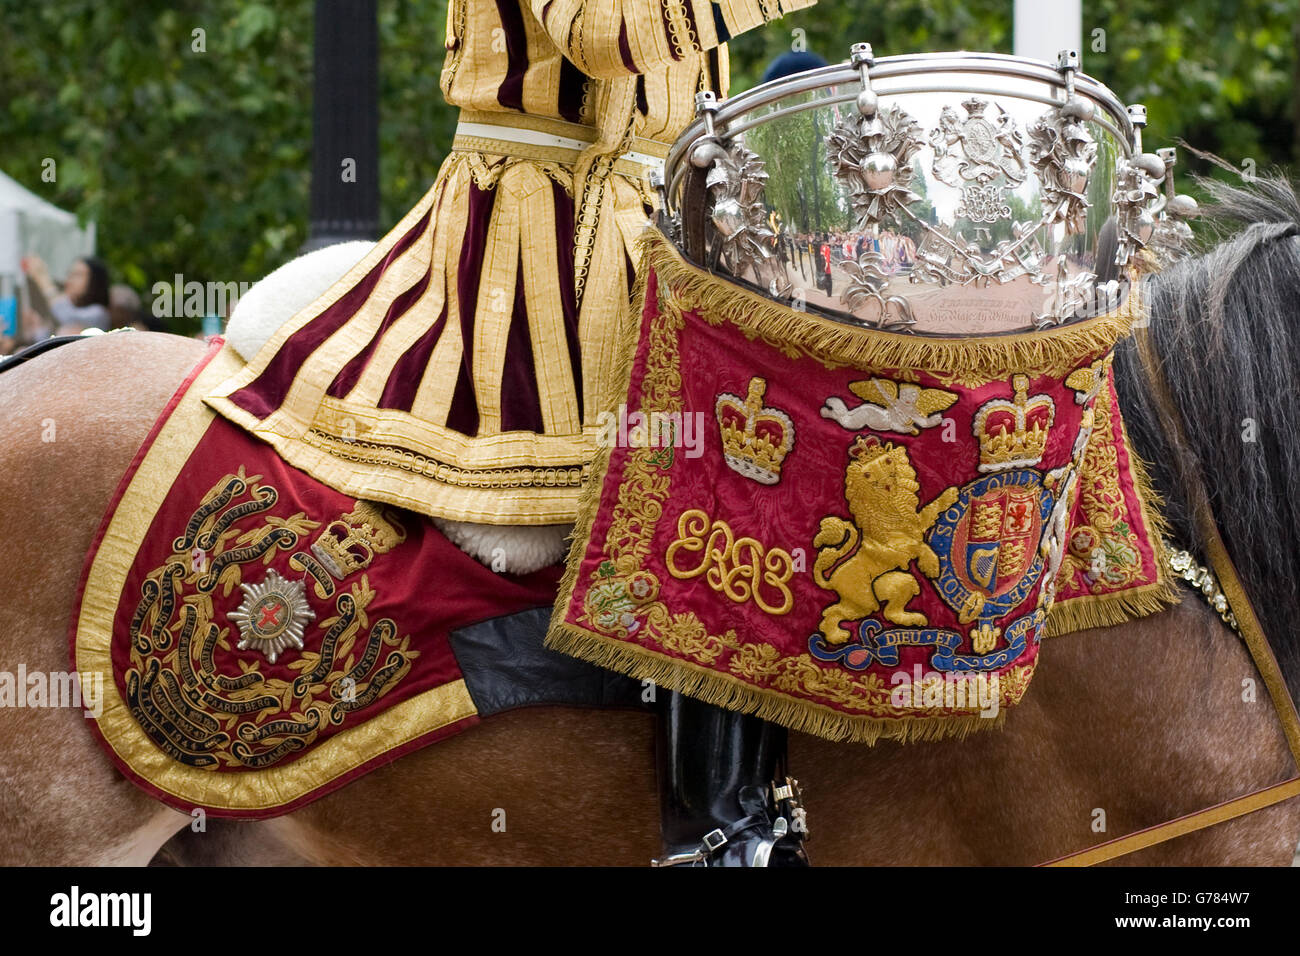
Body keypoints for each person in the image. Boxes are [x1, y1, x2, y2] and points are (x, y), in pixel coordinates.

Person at [205, 0, 815, 866]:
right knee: (703, 470)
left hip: (661, 226)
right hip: (543, 231)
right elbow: (603, 36)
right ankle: (713, 825)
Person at [22, 255, 111, 336]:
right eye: (70, 273)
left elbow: (68, 316)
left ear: (95, 282)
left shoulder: (99, 313)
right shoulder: (66, 307)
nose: (70, 279)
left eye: (78, 274)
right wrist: (37, 327)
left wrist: (43, 279)